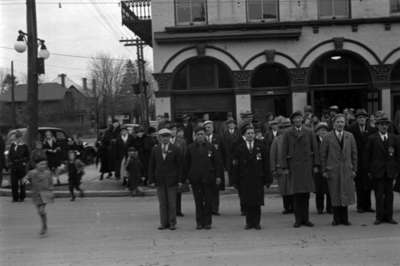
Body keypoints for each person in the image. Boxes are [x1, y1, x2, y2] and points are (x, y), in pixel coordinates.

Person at [282, 111, 319, 228]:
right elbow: (284, 150)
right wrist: (285, 167)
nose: (297, 120)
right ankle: (298, 219)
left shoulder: (309, 132)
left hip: (307, 166)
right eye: (295, 119)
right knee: (297, 195)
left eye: (299, 118)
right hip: (294, 167)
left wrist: (316, 165)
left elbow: (315, 149)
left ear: (302, 120)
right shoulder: (288, 133)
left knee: (306, 195)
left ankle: (306, 219)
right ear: (292, 121)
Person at [320, 114, 357, 226]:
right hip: (333, 170)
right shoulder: (327, 137)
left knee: (345, 192)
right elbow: (323, 155)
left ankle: (345, 219)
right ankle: (336, 219)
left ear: (345, 123)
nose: (340, 124)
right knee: (335, 194)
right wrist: (324, 170)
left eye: (342, 122)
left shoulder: (350, 136)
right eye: (338, 122)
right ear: (333, 124)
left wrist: (354, 168)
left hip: (346, 169)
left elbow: (354, 153)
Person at [234, 122, 272, 229]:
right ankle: (249, 222)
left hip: (257, 178)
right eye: (248, 133)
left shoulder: (261, 146)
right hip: (245, 179)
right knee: (247, 201)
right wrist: (235, 181)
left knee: (257, 202)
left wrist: (268, 178)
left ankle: (257, 223)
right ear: (244, 135)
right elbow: (236, 166)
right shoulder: (239, 148)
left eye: (252, 133)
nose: (250, 135)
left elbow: (266, 164)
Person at [184, 126, 222, 230]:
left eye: (202, 134)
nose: (200, 136)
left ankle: (208, 222)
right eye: (198, 134)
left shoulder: (211, 147)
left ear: (205, 135)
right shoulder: (190, 148)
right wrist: (187, 177)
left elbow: (217, 163)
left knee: (208, 201)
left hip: (209, 178)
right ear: (195, 136)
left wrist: (218, 176)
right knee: (198, 201)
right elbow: (186, 164)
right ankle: (199, 222)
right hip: (196, 179)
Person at [364, 114, 399, 225]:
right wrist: (369, 170)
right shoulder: (372, 138)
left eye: (386, 125)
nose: (384, 127)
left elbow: (398, 156)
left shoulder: (395, 138)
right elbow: (367, 156)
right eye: (382, 125)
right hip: (377, 171)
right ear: (377, 126)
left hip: (390, 171)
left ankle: (389, 217)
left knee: (389, 195)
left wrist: (397, 170)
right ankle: (379, 217)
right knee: (379, 195)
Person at [148, 128, 183, 230]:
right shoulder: (155, 149)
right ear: (159, 138)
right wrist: (151, 180)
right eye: (163, 137)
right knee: (162, 203)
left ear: (170, 137)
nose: (165, 139)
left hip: (172, 180)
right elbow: (151, 165)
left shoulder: (176, 149)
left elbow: (180, 166)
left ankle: (172, 223)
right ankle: (163, 223)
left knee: (172, 203)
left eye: (167, 136)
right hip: (160, 180)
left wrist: (180, 180)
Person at [347, 109, 376, 213]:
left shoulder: (373, 129)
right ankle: (360, 206)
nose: (361, 119)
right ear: (356, 119)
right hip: (357, 160)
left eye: (363, 117)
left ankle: (368, 206)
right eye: (359, 117)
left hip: (368, 161)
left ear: (366, 119)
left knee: (368, 184)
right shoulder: (351, 129)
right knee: (359, 184)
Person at [22, 156, 54, 237]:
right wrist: (26, 182)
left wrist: (51, 189)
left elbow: (51, 183)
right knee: (40, 212)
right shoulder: (32, 173)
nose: (43, 166)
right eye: (41, 164)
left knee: (41, 211)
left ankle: (44, 227)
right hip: (36, 195)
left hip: (45, 194)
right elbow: (24, 179)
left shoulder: (48, 173)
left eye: (45, 164)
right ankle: (44, 224)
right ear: (36, 165)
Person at [270, 118, 294, 214]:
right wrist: (273, 169)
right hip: (281, 168)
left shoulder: (293, 139)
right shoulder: (277, 140)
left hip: (292, 168)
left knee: (293, 189)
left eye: (287, 127)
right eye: (283, 128)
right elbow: (272, 155)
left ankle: (294, 207)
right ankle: (287, 207)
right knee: (284, 190)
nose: (285, 129)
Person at [204, 120, 225, 216]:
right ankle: (207, 208)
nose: (208, 129)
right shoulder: (201, 138)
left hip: (216, 167)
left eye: (209, 127)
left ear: (213, 128)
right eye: (206, 127)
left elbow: (224, 151)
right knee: (206, 189)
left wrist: (224, 166)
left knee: (215, 189)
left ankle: (215, 209)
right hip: (205, 167)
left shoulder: (219, 138)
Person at [313, 122, 332, 214]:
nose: (323, 132)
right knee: (319, 190)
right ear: (317, 132)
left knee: (329, 189)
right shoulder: (314, 141)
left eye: (325, 130)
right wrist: (314, 166)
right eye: (321, 130)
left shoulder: (330, 140)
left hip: (329, 167)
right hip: (318, 167)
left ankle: (330, 208)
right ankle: (319, 208)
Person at [169, 123, 187, 217]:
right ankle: (170, 210)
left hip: (179, 168)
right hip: (168, 169)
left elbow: (185, 155)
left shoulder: (182, 141)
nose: (173, 131)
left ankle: (178, 210)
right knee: (169, 191)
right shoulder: (164, 141)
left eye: (175, 130)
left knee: (178, 191)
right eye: (171, 129)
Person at [8, 130, 30, 202]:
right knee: (14, 183)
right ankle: (15, 198)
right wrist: (10, 162)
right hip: (14, 167)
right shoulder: (12, 145)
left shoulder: (24, 146)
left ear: (21, 137)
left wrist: (24, 162)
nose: (17, 139)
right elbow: (9, 155)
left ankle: (22, 197)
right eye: (16, 137)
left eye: (19, 137)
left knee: (22, 183)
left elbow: (28, 157)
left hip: (21, 167)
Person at [222, 118, 240, 187]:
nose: (231, 125)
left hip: (236, 154)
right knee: (229, 169)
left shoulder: (238, 132)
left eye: (232, 124)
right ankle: (231, 182)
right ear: (227, 125)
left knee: (236, 168)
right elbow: (223, 144)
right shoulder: (225, 133)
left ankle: (236, 182)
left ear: (235, 125)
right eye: (230, 124)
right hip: (228, 154)